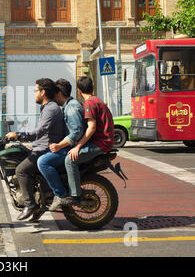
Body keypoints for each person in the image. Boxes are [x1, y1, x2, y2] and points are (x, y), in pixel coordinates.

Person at [6, 78, 65, 221]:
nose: (34, 94)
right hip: (41, 146)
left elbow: (40, 131)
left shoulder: (51, 108)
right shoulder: (46, 108)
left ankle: (30, 205)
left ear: (43, 92)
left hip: (46, 149)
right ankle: (38, 203)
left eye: (35, 91)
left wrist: (19, 135)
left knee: (21, 170)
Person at [62, 76, 114, 206]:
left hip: (101, 143)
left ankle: (75, 195)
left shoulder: (89, 103)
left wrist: (78, 147)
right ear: (93, 87)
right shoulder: (97, 101)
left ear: (79, 91)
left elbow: (91, 128)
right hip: (104, 141)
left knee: (70, 160)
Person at [36, 78, 85, 211]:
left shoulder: (71, 108)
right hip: (67, 146)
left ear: (58, 93)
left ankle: (60, 194)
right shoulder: (67, 106)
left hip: (70, 148)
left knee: (43, 162)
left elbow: (76, 132)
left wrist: (59, 146)